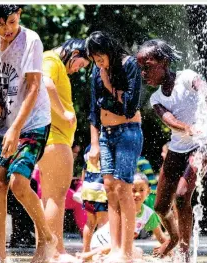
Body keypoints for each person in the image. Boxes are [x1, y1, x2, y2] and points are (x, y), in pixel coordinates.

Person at [136, 39, 207, 261]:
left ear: (164, 62)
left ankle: (185, 251)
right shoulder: (156, 98)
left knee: (182, 195)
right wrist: (188, 128)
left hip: (202, 145)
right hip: (178, 148)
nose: (143, 73)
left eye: (147, 66)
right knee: (159, 206)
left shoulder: (186, 77)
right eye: (141, 69)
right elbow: (170, 121)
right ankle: (175, 237)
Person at [0, 5, 57, 263]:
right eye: (1, 24)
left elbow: (35, 86)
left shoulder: (31, 40)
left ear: (20, 14)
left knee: (17, 181)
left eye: (12, 22)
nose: (7, 30)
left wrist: (15, 129)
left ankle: (47, 238)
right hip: (5, 123)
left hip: (33, 122)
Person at [86, 31, 143, 262]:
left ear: (109, 49)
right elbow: (93, 109)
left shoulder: (129, 65)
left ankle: (127, 252)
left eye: (101, 56)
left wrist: (109, 84)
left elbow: (130, 107)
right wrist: (93, 144)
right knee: (109, 187)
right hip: (105, 135)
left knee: (123, 187)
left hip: (128, 132)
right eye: (94, 58)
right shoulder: (96, 71)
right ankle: (115, 247)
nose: (98, 62)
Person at [38, 38, 90, 262]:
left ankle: (49, 251)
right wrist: (64, 113)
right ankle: (56, 252)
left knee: (50, 197)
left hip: (53, 139)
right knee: (55, 198)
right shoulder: (51, 59)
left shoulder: (53, 61)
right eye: (80, 64)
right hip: (55, 139)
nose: (77, 70)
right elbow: (45, 83)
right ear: (74, 51)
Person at [76, 173, 168, 261]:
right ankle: (90, 255)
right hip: (101, 241)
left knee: (138, 251)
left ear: (148, 191)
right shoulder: (121, 208)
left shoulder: (148, 214)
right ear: (127, 191)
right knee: (132, 250)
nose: (137, 194)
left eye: (141, 190)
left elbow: (161, 237)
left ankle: (100, 257)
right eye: (133, 190)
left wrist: (168, 249)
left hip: (118, 246)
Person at [79, 144, 108, 255]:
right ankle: (101, 253)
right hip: (101, 191)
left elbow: (84, 170)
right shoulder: (106, 145)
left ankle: (85, 250)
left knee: (90, 222)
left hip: (88, 190)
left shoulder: (89, 148)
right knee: (103, 224)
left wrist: (82, 189)